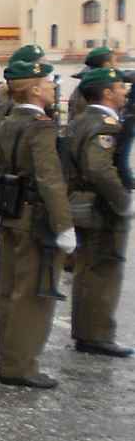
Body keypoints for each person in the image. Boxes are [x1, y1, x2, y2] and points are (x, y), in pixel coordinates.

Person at [0, 60, 75, 388]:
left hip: (11, 209)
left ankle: (9, 358)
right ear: (36, 90)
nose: (55, 88)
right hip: (35, 215)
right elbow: (49, 178)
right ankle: (21, 365)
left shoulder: (8, 120)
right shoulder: (41, 125)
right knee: (31, 293)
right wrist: (64, 224)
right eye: (50, 83)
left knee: (9, 289)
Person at [63, 66, 133, 358]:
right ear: (106, 92)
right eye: (119, 87)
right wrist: (122, 200)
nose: (124, 91)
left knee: (88, 269)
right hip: (100, 208)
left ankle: (86, 330)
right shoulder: (104, 123)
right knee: (103, 269)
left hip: (83, 203)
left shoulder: (81, 120)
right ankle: (97, 334)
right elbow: (98, 168)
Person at [68, 45, 117, 122]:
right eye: (115, 61)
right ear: (107, 65)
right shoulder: (93, 89)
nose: (117, 65)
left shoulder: (85, 84)